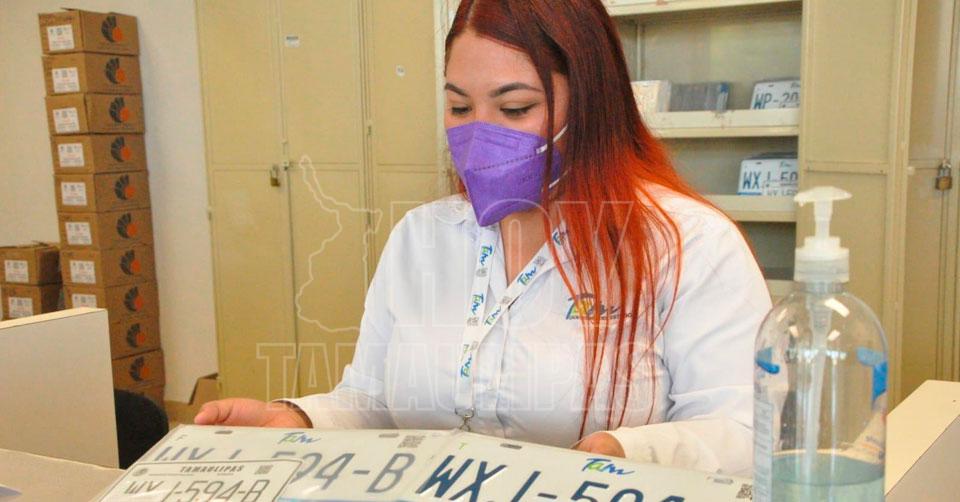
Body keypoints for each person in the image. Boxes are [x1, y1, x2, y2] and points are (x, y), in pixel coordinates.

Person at [195, 0, 770, 476]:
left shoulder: (689, 244)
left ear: (593, 107)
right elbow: (373, 401)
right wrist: (297, 420)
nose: (479, 136)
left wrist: (622, 452)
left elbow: (745, 431)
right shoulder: (423, 236)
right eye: (459, 106)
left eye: (515, 108)